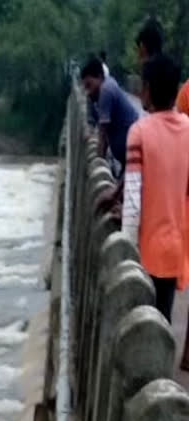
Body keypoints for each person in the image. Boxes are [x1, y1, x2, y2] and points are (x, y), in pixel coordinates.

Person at [121, 54, 189, 325]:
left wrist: (125, 251)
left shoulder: (139, 132)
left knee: (138, 327)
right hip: (174, 247)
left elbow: (133, 200)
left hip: (145, 252)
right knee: (163, 323)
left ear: (147, 89)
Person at [81, 57, 139, 179]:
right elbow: (94, 122)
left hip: (131, 152)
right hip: (127, 155)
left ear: (100, 76)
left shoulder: (106, 91)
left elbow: (102, 135)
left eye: (89, 85)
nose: (88, 91)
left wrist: (96, 165)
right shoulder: (104, 88)